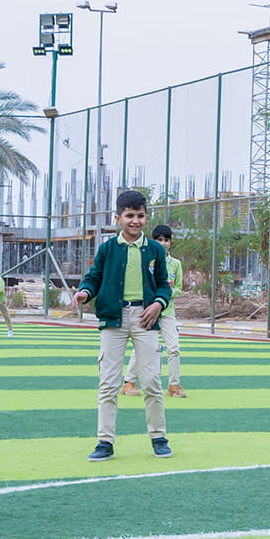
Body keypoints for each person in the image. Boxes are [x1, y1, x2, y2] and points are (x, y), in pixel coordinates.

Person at [73, 190, 172, 461]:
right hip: (113, 320)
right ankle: (104, 442)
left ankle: (159, 437)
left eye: (140, 215)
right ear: (118, 218)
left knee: (151, 381)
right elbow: (93, 277)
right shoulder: (107, 249)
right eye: (129, 215)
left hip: (145, 319)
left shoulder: (155, 250)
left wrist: (158, 303)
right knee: (108, 383)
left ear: (146, 217)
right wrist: (84, 293)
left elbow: (164, 285)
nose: (135, 220)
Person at [150, 224, 186, 397]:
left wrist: (168, 293)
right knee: (143, 348)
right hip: (149, 311)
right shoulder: (148, 262)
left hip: (167, 312)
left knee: (174, 348)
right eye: (159, 240)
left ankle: (174, 385)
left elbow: (178, 288)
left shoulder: (176, 264)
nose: (163, 243)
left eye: (166, 240)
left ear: (171, 242)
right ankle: (129, 382)